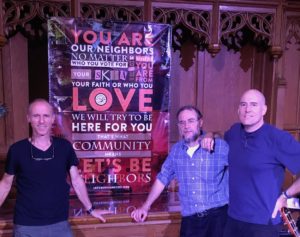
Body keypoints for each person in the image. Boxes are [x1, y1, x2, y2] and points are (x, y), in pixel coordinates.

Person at [0, 99, 112, 237]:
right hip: (26, 226)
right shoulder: (17, 150)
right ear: (28, 118)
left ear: (53, 118)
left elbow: (76, 181)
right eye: (36, 116)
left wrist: (91, 209)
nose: (41, 121)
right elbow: (5, 185)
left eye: (46, 116)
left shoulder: (64, 147)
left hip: (59, 225)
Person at [204, 89, 300, 237]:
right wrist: (210, 134)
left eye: (254, 105)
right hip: (233, 220)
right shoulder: (234, 132)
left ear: (264, 110)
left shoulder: (278, 138)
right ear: (238, 109)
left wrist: (285, 196)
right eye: (243, 104)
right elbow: (221, 135)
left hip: (263, 225)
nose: (247, 109)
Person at [131, 105, 229, 237]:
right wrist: (145, 206)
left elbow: (241, 172)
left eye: (191, 121)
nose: (186, 126)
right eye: (182, 122)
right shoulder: (176, 151)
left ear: (200, 122)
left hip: (218, 219)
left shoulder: (219, 146)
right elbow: (162, 178)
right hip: (190, 220)